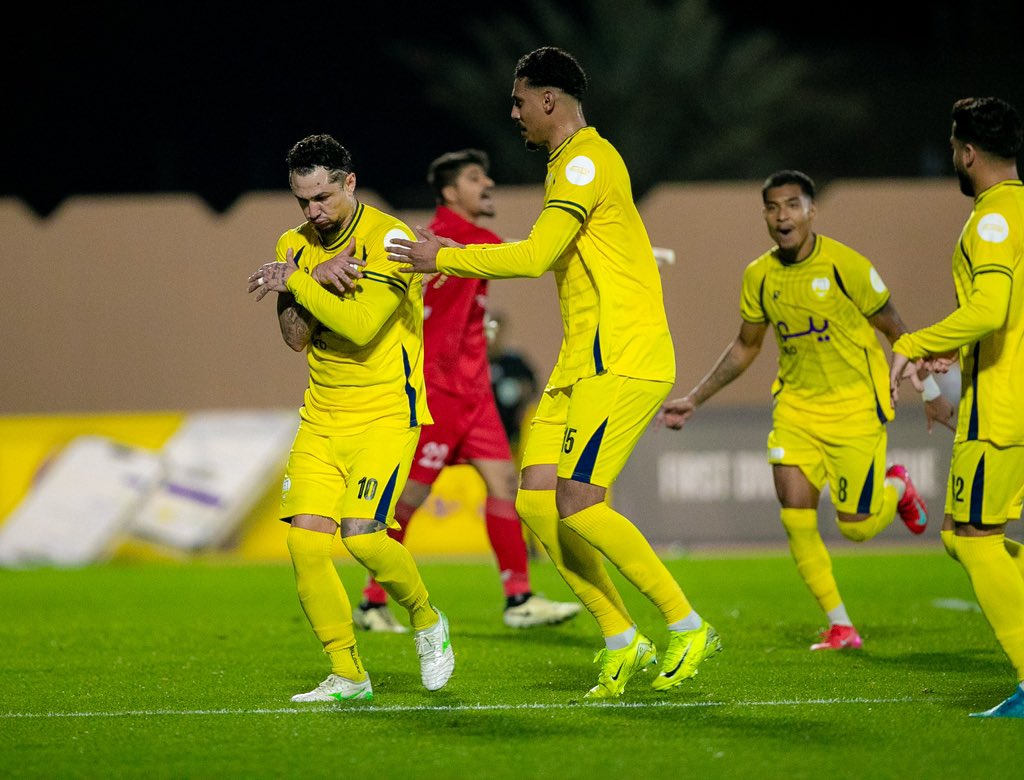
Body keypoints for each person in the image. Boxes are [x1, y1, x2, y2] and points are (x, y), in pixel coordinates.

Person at [389, 46, 719, 699]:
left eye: (518, 102)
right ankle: (622, 638)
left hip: (622, 357)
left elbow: (537, 255)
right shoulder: (568, 166)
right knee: (536, 502)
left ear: (548, 99)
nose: (513, 114)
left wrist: (443, 258)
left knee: (579, 502)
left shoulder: (585, 161)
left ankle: (687, 624)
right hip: (581, 362)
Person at [657, 169, 955, 652]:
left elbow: (898, 331)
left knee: (856, 529)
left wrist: (930, 392)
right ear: (765, 215)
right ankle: (841, 626)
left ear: (812, 211)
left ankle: (897, 486)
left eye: (792, 205)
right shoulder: (759, 276)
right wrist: (695, 397)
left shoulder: (846, 266)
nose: (783, 216)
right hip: (796, 409)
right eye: (773, 207)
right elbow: (745, 346)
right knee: (795, 517)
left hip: (856, 408)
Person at [245, 133, 454, 702]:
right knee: (306, 546)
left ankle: (426, 618)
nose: (313, 212)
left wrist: (297, 280)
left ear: (350, 183)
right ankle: (348, 674)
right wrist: (310, 277)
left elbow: (362, 327)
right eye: (303, 201)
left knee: (363, 537)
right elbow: (295, 337)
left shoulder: (390, 239)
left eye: (323, 197)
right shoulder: (294, 243)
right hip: (321, 417)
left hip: (385, 414)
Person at [354, 148, 580, 632]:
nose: (488, 184)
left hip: (475, 394)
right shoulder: (435, 241)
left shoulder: (463, 241)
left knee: (504, 485)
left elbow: (519, 254)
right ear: (450, 191)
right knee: (409, 498)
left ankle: (519, 598)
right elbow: (529, 255)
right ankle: (372, 603)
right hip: (438, 392)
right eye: (476, 178)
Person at [890, 96, 1024, 718]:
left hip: (1002, 404)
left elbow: (990, 309)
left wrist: (916, 342)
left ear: (967, 152)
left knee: (974, 540)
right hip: (1002, 391)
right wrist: (956, 349)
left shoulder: (993, 219)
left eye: (953, 147)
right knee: (960, 535)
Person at [486, 309, 540, 457]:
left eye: (498, 332)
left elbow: (532, 386)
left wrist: (523, 395)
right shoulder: (476, 362)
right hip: (485, 433)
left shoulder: (514, 363)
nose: (494, 338)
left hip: (511, 436)